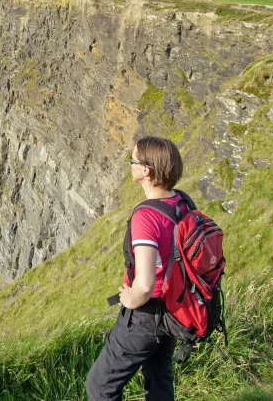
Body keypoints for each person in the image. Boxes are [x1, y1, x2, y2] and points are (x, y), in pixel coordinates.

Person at [86, 136, 185, 401]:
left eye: (132, 159)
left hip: (146, 316)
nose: (129, 164)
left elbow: (144, 284)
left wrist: (130, 299)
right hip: (174, 309)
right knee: (158, 378)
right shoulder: (182, 203)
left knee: (100, 386)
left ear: (146, 171)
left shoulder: (146, 217)